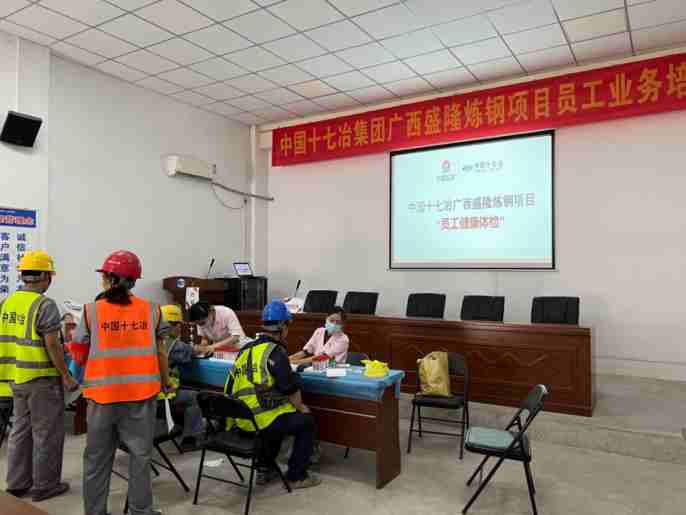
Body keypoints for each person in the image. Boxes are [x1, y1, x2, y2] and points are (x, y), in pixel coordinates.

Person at [75, 250, 171, 515]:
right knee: (140, 457)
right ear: (134, 281)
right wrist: (166, 382)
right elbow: (161, 352)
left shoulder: (91, 311)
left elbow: (79, 353)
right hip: (141, 397)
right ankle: (141, 511)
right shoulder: (152, 311)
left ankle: (95, 512)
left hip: (102, 398)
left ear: (109, 278)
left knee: (96, 459)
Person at [0, 250, 77, 501]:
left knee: (20, 430)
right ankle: (45, 485)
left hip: (16, 377)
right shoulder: (45, 305)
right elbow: (52, 344)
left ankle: (17, 483)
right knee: (47, 433)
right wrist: (66, 375)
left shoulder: (8, 302)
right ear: (45, 276)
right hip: (41, 379)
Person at [226, 300, 320, 489]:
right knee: (305, 421)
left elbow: (229, 387)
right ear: (283, 326)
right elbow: (289, 388)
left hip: (240, 421)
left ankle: (265, 469)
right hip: (261, 420)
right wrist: (301, 407)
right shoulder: (275, 351)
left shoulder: (245, 350)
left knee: (281, 417)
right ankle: (297, 476)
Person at [159, 304, 204, 451]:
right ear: (175, 325)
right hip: (161, 396)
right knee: (193, 396)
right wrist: (209, 347)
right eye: (179, 325)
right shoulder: (174, 345)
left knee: (183, 391)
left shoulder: (150, 339)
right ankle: (191, 438)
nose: (180, 328)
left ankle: (179, 425)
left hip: (144, 395)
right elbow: (194, 351)